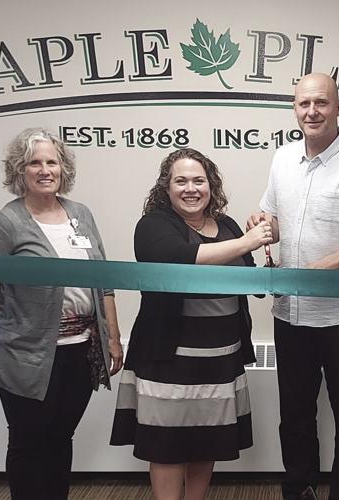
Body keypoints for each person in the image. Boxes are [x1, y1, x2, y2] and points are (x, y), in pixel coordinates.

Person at [247, 73, 339, 500]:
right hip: (289, 315)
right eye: (304, 104)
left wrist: (299, 275)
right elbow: (269, 215)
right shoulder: (282, 159)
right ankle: (298, 489)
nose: (312, 111)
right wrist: (261, 225)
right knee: (294, 414)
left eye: (322, 103)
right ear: (295, 109)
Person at [110, 148, 271, 500]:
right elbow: (178, 260)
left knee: (207, 441)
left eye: (199, 180)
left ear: (211, 185)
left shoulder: (227, 225)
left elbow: (250, 279)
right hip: (168, 360)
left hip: (219, 358)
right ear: (165, 188)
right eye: (180, 181)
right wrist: (246, 242)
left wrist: (268, 257)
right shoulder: (153, 225)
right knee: (166, 445)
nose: (190, 188)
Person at [0, 128, 124, 499]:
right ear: (19, 171)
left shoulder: (81, 215)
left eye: (51, 162)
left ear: (63, 168)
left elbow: (103, 281)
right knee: (28, 442)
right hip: (26, 356)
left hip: (81, 350)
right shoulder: (7, 222)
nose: (44, 170)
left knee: (61, 436)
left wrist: (114, 338)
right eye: (34, 162)